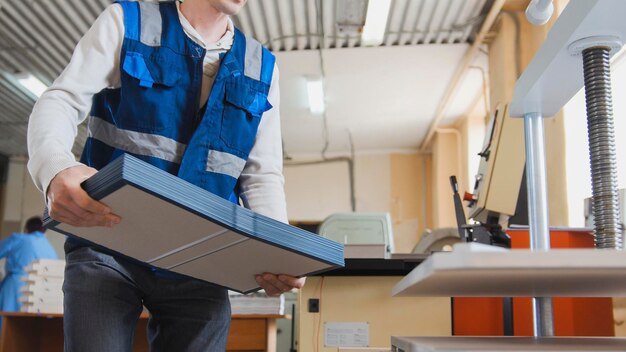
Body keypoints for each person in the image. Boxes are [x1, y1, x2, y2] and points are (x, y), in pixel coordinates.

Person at [27, 0, 305, 350]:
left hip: (200, 260)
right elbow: (61, 100)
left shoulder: (261, 66)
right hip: (108, 243)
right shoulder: (129, 22)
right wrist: (54, 168)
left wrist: (275, 253)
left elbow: (261, 174)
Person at [0, 216, 58, 312]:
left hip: (15, 288)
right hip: (41, 293)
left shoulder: (19, 239)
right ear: (45, 231)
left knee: (8, 323)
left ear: (26, 229)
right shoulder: (50, 249)